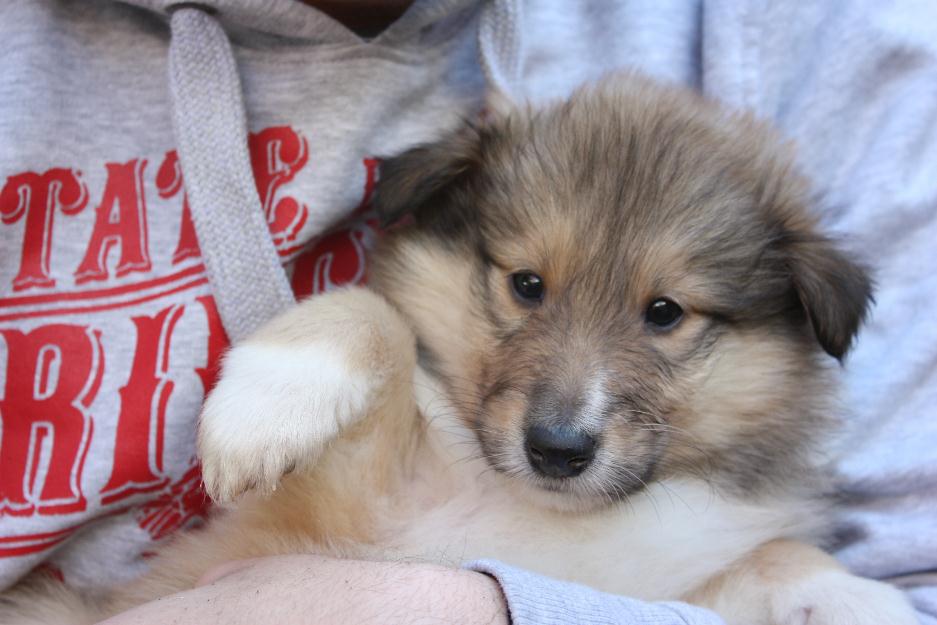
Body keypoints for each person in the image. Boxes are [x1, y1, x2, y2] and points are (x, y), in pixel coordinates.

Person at [1, 1, 935, 623]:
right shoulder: (422, 420)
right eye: (525, 287)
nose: (566, 414)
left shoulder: (746, 530)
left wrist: (791, 578)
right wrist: (339, 338)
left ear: (799, 322)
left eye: (665, 314)